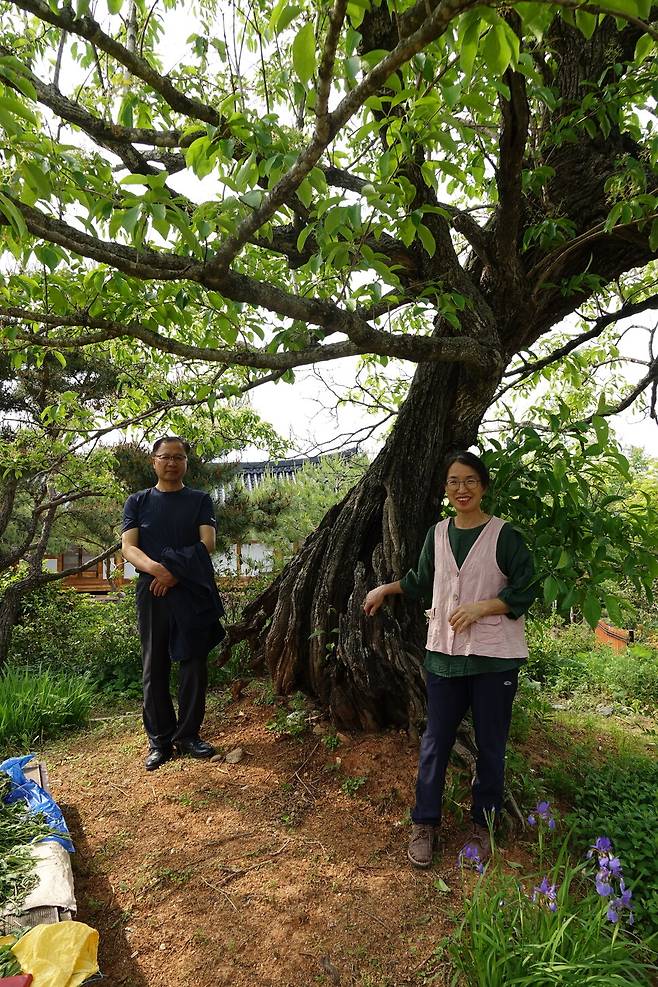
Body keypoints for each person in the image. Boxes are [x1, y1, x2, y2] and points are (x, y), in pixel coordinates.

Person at [363, 450, 535, 869]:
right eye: (454, 482)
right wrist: (386, 588)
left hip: (495, 660)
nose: (462, 489)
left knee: (491, 746)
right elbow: (422, 581)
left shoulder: (504, 536)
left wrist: (481, 608)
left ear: (484, 486)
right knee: (435, 742)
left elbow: (525, 590)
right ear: (446, 489)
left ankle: (484, 823)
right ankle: (425, 824)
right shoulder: (438, 535)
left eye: (470, 481)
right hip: (444, 656)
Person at [122, 436, 223, 771]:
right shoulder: (138, 501)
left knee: (193, 663)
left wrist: (175, 574)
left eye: (179, 457)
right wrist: (157, 571)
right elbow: (129, 548)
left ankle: (188, 735)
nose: (172, 463)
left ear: (186, 464)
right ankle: (160, 740)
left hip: (190, 588)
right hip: (152, 590)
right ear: (154, 461)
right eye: (166, 456)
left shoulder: (199, 500)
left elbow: (207, 542)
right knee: (154, 665)